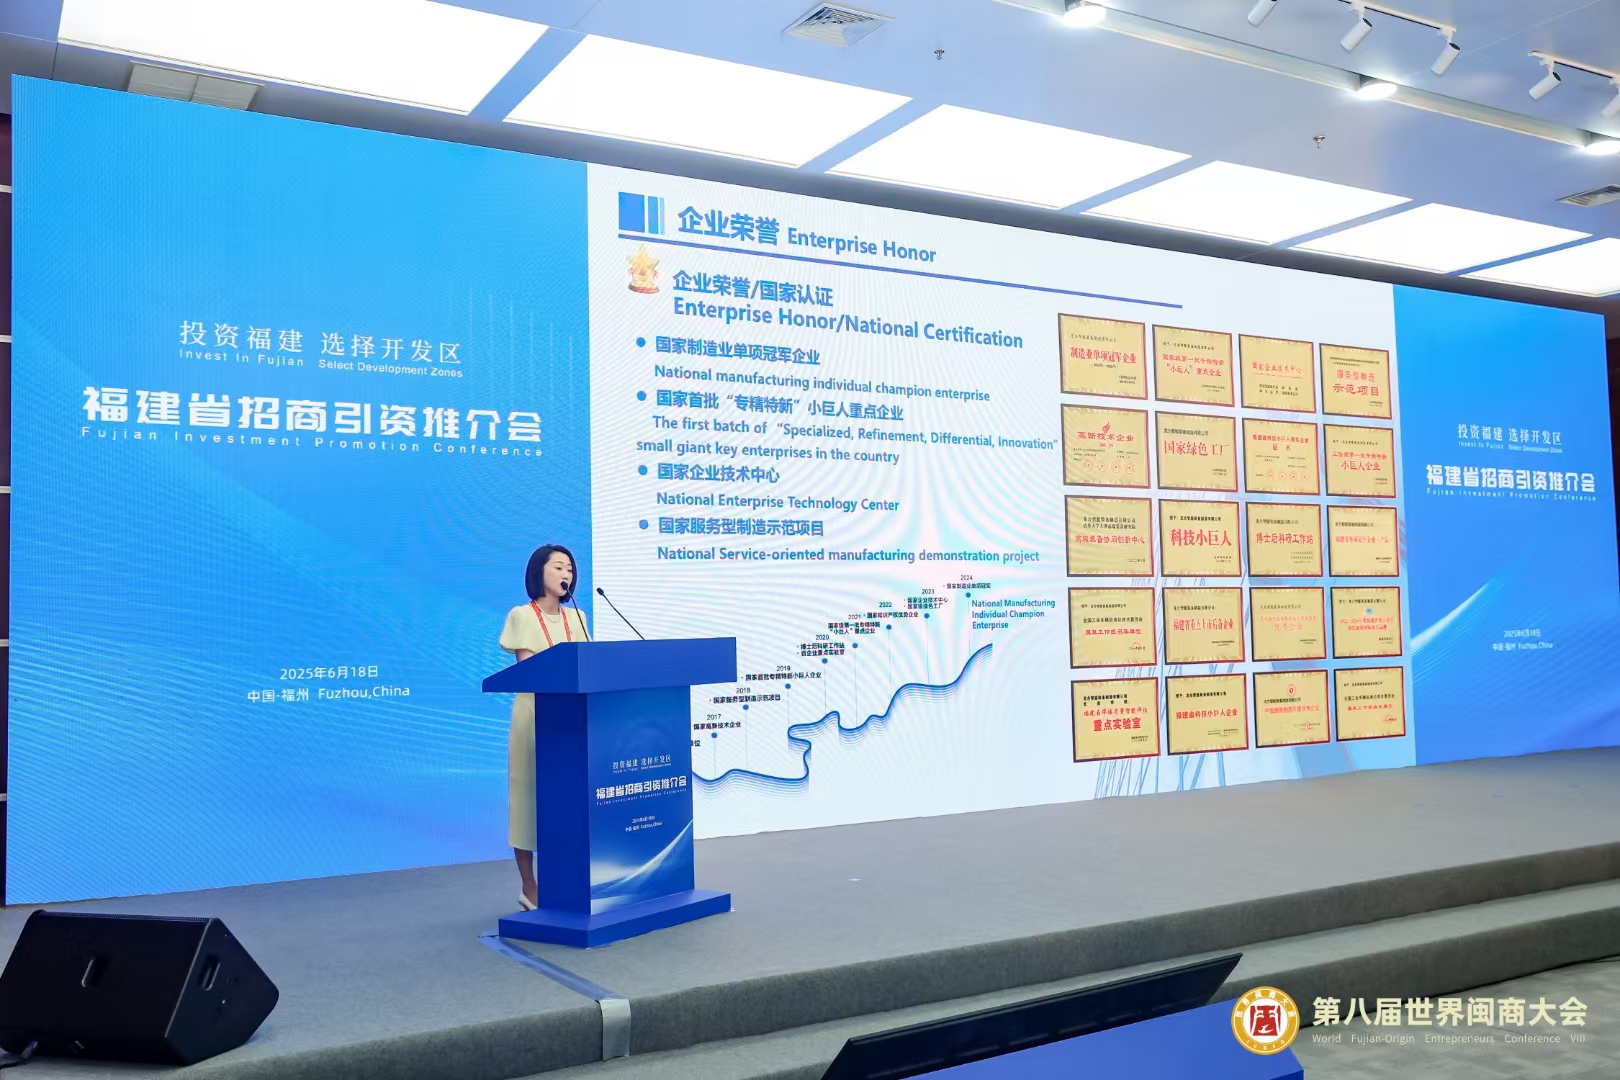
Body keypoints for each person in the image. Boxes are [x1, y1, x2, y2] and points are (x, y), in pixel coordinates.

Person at [499, 544, 588, 912]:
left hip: (572, 717)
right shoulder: (522, 615)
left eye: (569, 568)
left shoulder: (578, 617)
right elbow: (529, 672)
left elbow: (587, 667)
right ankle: (529, 886)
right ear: (539, 572)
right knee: (528, 800)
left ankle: (567, 879)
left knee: (569, 800)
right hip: (534, 713)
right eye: (558, 567)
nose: (566, 574)